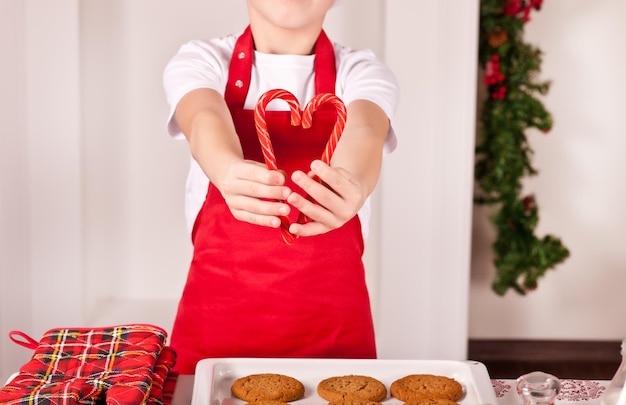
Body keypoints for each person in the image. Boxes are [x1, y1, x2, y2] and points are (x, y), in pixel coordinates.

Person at [163, 0, 398, 375]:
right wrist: (225, 168)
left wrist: (352, 182)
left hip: (334, 341)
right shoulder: (202, 61)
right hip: (214, 339)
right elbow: (204, 116)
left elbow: (366, 130)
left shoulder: (361, 72)